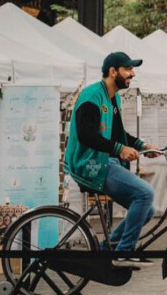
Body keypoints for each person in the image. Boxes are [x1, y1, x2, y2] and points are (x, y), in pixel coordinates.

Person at [64, 52, 156, 266]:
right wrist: (119, 149)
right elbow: (86, 135)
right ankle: (122, 252)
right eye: (128, 69)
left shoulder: (113, 98)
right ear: (113, 71)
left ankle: (108, 249)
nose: (132, 74)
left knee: (147, 209)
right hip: (90, 163)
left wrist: (142, 146)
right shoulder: (92, 96)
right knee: (145, 193)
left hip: (105, 161)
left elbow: (116, 135)